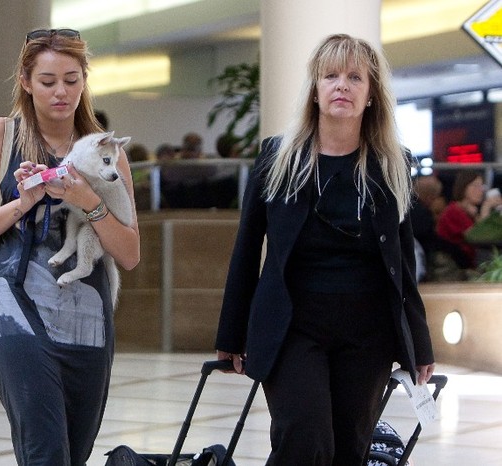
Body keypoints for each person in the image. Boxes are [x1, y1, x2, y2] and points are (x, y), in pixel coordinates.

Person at [215, 34, 435, 466]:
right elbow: (246, 249)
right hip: (294, 324)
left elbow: (403, 265)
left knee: (350, 449)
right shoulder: (277, 158)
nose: (342, 86)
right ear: (314, 90)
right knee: (304, 440)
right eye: (330, 75)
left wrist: (419, 342)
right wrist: (231, 333)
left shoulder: (392, 164)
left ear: (371, 95)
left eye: (356, 78)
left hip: (368, 330)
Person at [0, 28, 140, 465]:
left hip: (88, 320)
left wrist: (87, 201)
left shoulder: (107, 152)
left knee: (73, 454)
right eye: (48, 81)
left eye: (72, 80)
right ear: (25, 81)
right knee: (44, 452)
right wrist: (22, 204)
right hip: (18, 314)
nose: (62, 92)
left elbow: (130, 254)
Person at [436, 170, 502, 269]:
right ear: (463, 187)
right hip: (456, 265)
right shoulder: (453, 211)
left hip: (472, 260)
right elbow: (480, 237)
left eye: (481, 186)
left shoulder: (471, 211)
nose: (481, 190)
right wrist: (486, 208)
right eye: (475, 186)